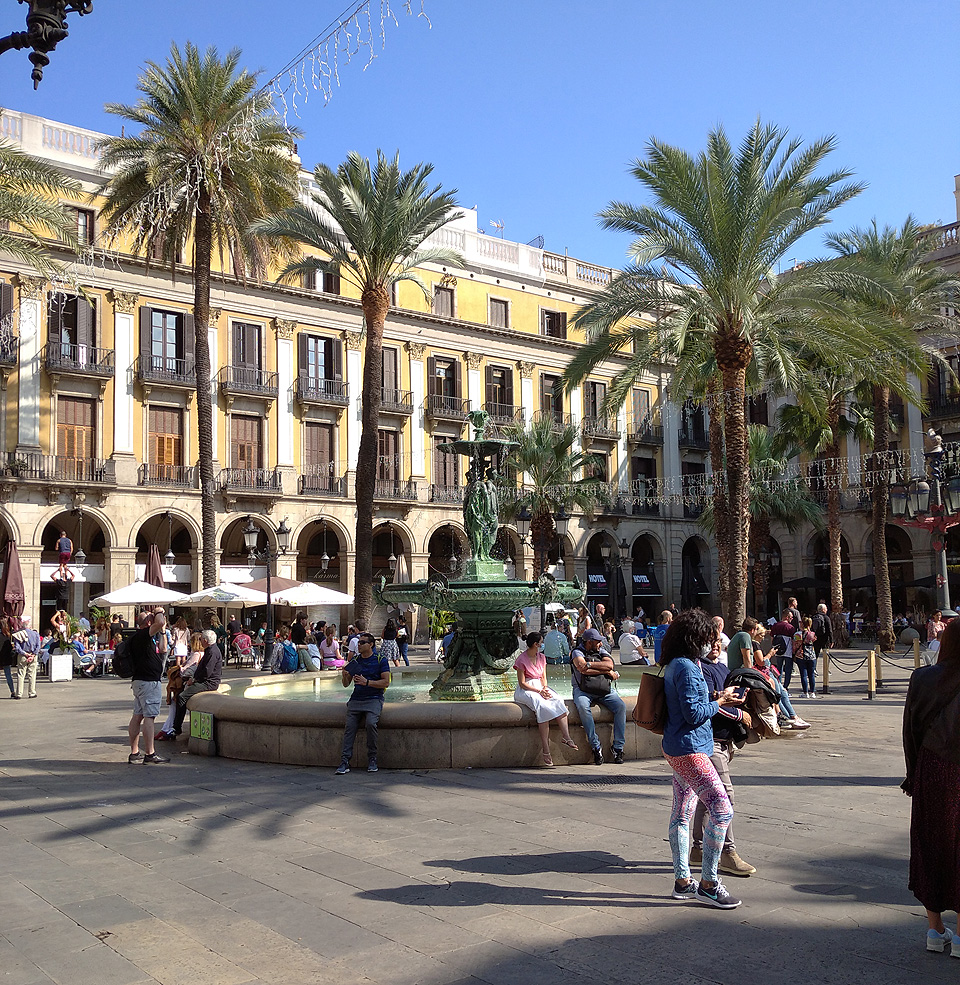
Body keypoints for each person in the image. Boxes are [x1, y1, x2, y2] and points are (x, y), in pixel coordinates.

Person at [661, 607, 743, 909]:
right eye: (709, 638)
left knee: (682, 812)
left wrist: (717, 696)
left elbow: (690, 702)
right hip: (690, 749)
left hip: (678, 746)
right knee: (722, 809)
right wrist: (720, 702)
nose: (713, 643)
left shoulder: (678, 663)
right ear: (695, 638)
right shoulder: (686, 666)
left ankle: (683, 881)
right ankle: (709, 883)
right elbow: (693, 713)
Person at [902, 616, 960, 956]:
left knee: (930, 844)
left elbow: (910, 731)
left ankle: (934, 931)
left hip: (932, 769)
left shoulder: (922, 678)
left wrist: (914, 775)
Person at [690, 632, 756, 877]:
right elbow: (710, 706)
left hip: (724, 741)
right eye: (710, 642)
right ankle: (728, 852)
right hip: (711, 742)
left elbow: (727, 698)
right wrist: (739, 714)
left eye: (718, 642)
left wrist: (741, 697)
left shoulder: (721, 668)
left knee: (706, 797)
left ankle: (698, 849)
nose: (715, 646)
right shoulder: (701, 669)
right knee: (724, 797)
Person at [513, 632, 578, 767]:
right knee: (542, 706)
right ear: (536, 644)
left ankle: (566, 737)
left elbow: (543, 677)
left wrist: (545, 689)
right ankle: (545, 749)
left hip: (540, 686)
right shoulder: (521, 659)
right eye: (541, 642)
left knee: (558, 700)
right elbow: (522, 683)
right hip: (527, 689)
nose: (543, 644)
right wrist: (539, 691)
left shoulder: (542, 657)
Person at [335, 632, 390, 774]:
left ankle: (372, 758)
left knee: (371, 723)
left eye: (362, 642)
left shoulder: (380, 660)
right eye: (358, 642)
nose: (358, 645)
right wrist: (345, 676)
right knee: (349, 727)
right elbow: (346, 684)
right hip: (356, 699)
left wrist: (367, 682)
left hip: (374, 698)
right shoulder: (355, 661)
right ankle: (345, 761)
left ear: (370, 644)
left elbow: (386, 682)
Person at [570, 627, 625, 765]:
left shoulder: (601, 651)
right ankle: (595, 746)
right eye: (597, 641)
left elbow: (610, 664)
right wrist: (606, 671)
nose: (600, 644)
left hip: (603, 689)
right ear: (589, 642)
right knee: (583, 707)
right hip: (583, 690)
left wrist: (590, 664)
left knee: (621, 707)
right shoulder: (577, 652)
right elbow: (582, 669)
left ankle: (618, 748)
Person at [127, 608, 170, 764]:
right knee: (149, 717)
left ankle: (134, 752)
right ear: (148, 622)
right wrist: (159, 611)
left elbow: (163, 649)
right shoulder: (143, 635)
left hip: (140, 681)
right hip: (148, 682)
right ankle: (150, 753)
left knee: (137, 715)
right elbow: (160, 622)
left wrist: (163, 631)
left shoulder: (141, 637)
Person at [170, 628, 223, 737]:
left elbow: (207, 672)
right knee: (181, 691)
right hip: (205, 680)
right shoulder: (211, 650)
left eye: (201, 639)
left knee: (182, 697)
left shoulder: (212, 652)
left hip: (208, 683)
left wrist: (194, 680)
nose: (200, 641)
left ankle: (177, 727)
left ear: (206, 641)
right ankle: (175, 725)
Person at [156, 632, 204, 740]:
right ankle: (167, 728)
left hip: (186, 683)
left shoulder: (196, 654)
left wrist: (180, 669)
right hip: (191, 682)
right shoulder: (203, 653)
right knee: (174, 702)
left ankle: (171, 728)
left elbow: (186, 670)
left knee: (175, 702)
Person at [12, 616, 41, 699]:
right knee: (32, 674)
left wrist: (25, 654)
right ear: (30, 626)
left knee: (21, 674)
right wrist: (33, 655)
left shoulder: (18, 634)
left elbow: (17, 647)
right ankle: (32, 692)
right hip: (33, 655)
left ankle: (19, 693)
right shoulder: (35, 634)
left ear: (22, 626)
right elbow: (38, 646)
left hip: (22, 656)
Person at [793, 617, 818, 698]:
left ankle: (805, 692)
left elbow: (794, 645)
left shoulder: (797, 634)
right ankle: (812, 692)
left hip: (801, 655)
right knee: (811, 675)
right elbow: (814, 640)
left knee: (803, 675)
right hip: (811, 656)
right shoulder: (812, 634)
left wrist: (794, 653)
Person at [0, 615, 15, 697]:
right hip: (6, 658)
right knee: (8, 675)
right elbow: (10, 648)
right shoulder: (7, 635)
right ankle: (12, 691)